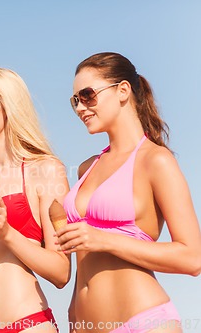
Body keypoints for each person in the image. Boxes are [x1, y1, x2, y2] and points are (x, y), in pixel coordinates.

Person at [59, 52, 201, 333]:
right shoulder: (86, 168)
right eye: (75, 100)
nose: (80, 108)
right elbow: (83, 255)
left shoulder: (155, 161)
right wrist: (75, 306)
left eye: (87, 95)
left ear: (123, 90)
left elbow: (192, 258)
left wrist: (104, 239)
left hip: (142, 322)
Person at [0, 67, 70, 333]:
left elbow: (62, 272)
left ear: (8, 106)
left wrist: (6, 232)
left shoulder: (46, 170)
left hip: (23, 324)